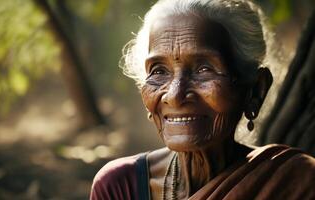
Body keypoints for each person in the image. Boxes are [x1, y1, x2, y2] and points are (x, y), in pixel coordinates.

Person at [90, 0, 315, 199]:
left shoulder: (296, 182)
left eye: (204, 69)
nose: (175, 96)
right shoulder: (118, 186)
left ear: (256, 89)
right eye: (159, 71)